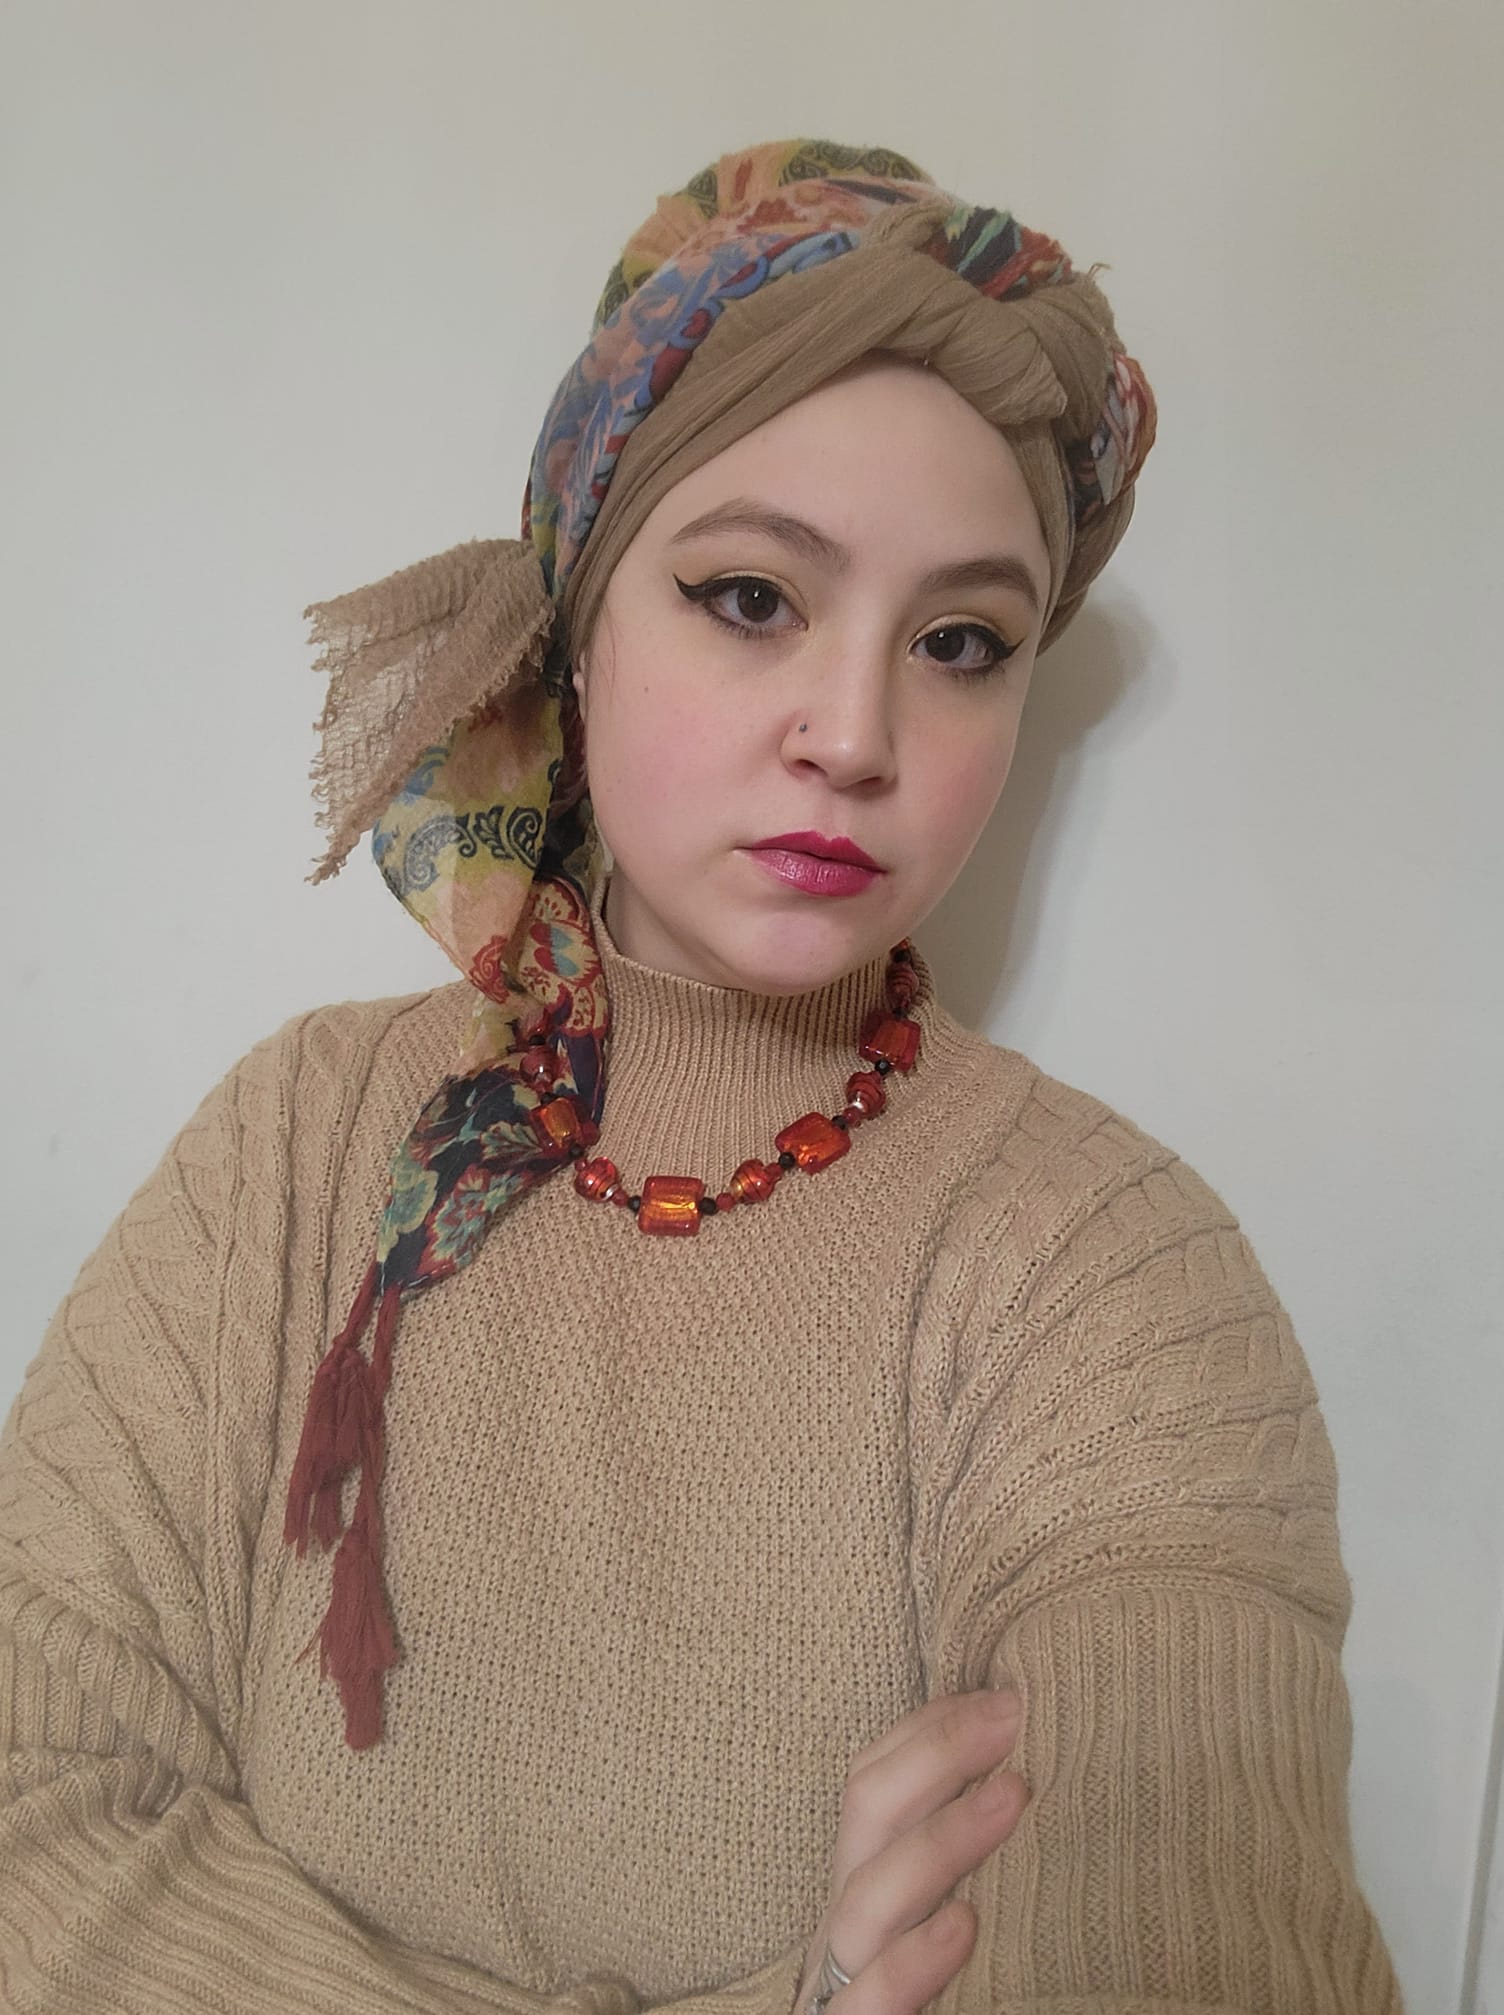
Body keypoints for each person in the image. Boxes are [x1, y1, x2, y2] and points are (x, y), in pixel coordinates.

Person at [0, 137, 1404, 2014]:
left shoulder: (1106, 1267)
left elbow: (1187, 1948)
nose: (854, 732)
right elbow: (28, 1810)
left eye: (963, 642)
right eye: (752, 597)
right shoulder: (298, 1148)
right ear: (581, 626)